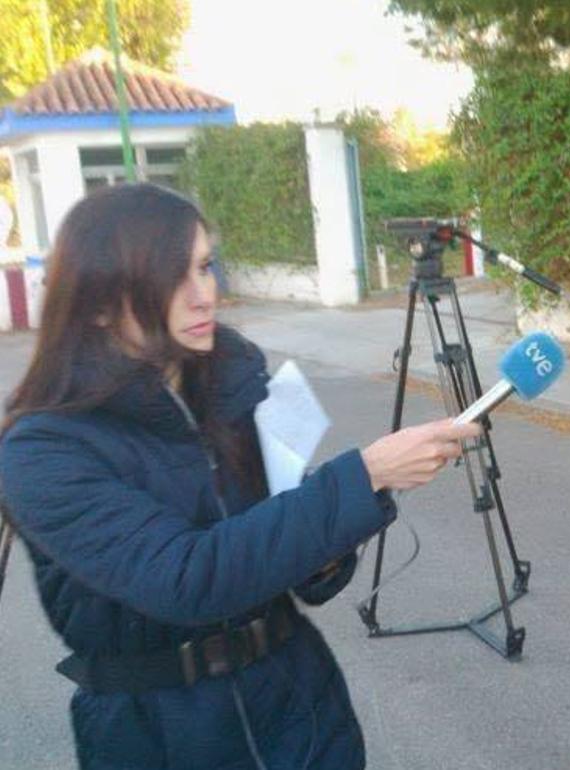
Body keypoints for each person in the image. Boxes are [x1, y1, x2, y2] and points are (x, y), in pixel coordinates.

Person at [0, 183, 480, 770]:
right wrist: (365, 475)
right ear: (98, 301)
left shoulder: (234, 386)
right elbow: (186, 578)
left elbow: (299, 562)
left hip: (299, 707)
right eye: (174, 275)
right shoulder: (44, 448)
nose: (205, 295)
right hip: (162, 734)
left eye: (205, 267)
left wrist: (330, 546)